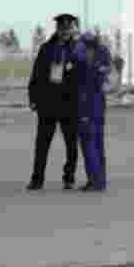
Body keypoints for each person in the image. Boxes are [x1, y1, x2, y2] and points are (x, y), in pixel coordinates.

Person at [27, 13, 80, 190]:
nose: (64, 30)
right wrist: (33, 98)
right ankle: (37, 179)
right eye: (61, 27)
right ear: (57, 29)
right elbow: (36, 74)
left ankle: (69, 177)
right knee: (42, 144)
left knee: (71, 144)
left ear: (71, 28)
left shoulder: (77, 48)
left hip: (69, 102)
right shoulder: (46, 48)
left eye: (67, 27)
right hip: (48, 102)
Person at [70, 31, 111, 191]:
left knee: (88, 144)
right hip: (99, 104)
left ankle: (94, 180)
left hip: (86, 104)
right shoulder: (103, 53)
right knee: (98, 144)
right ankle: (100, 180)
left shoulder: (81, 55)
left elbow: (72, 69)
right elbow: (105, 74)